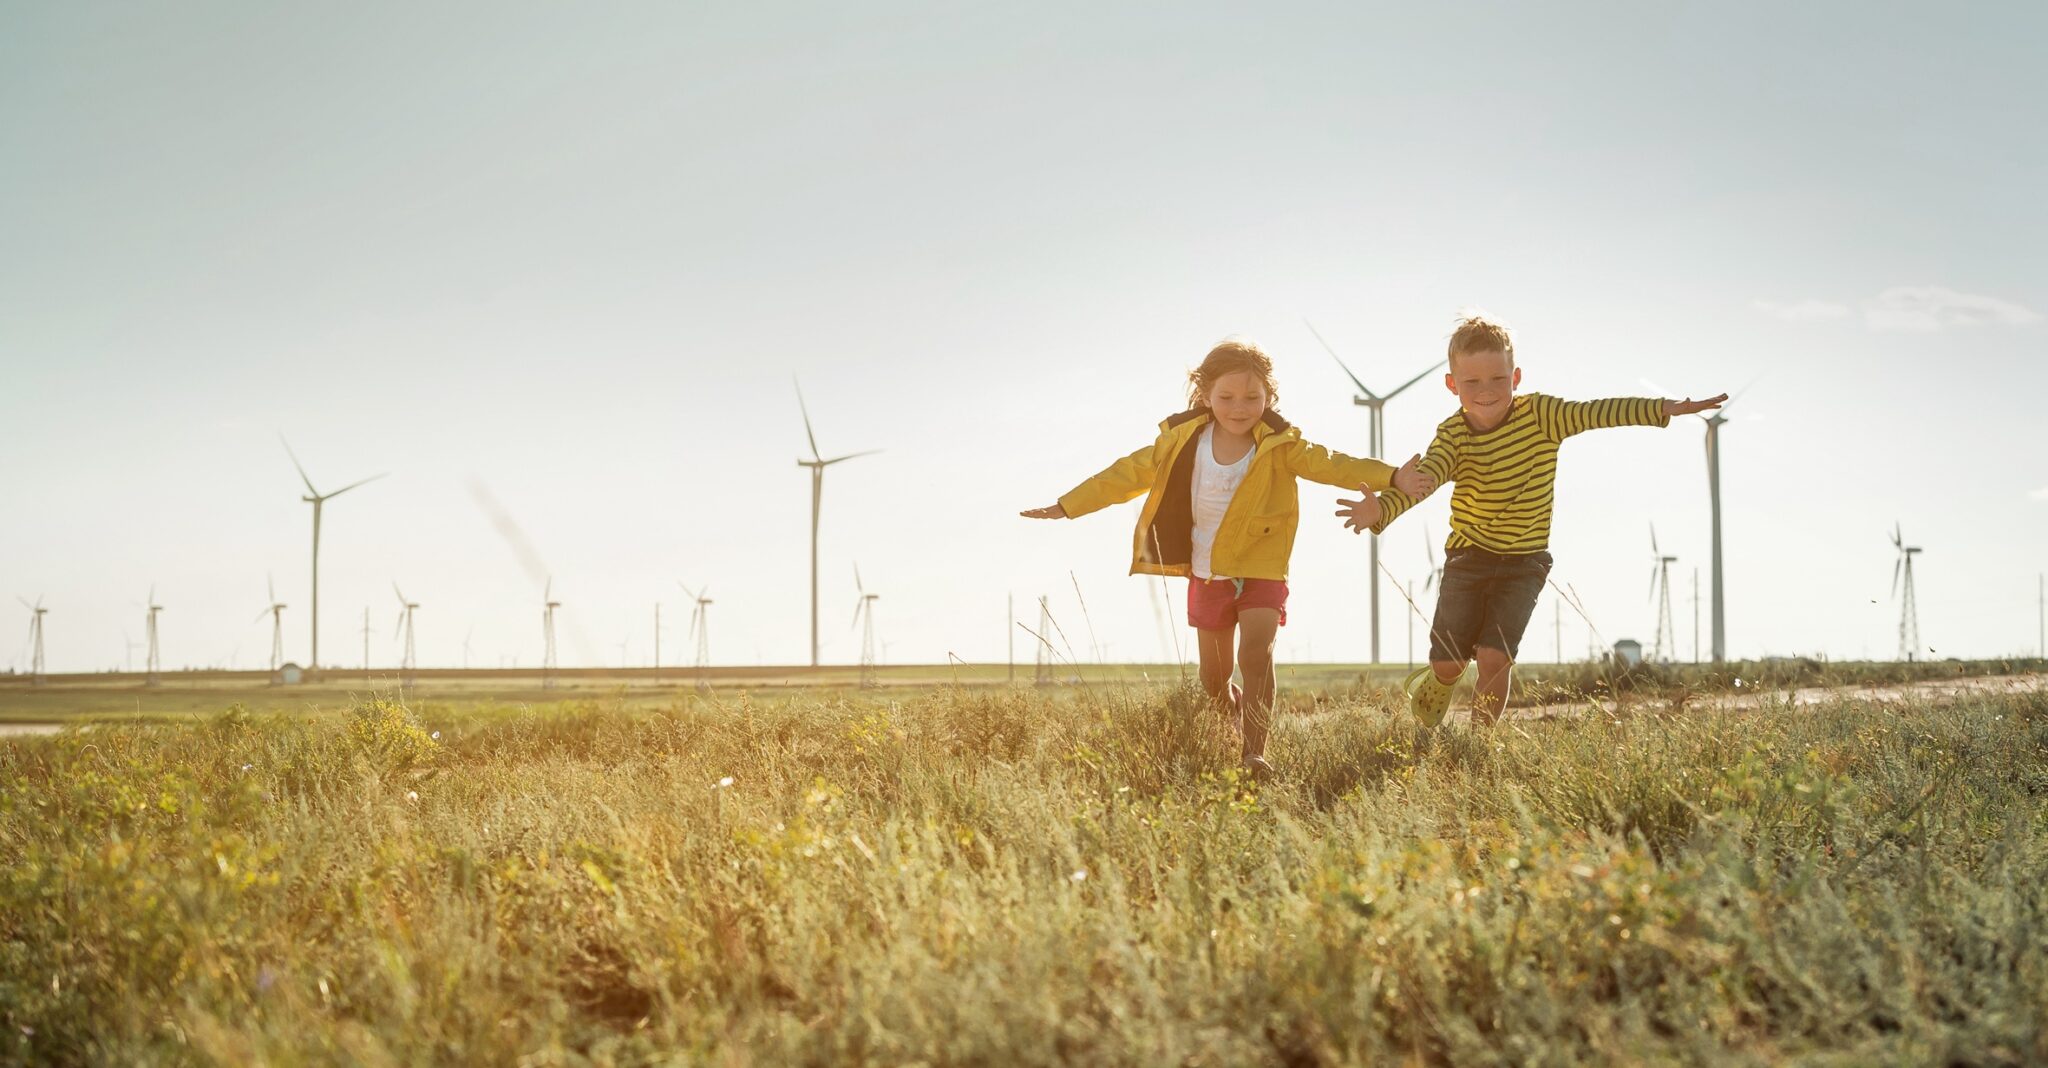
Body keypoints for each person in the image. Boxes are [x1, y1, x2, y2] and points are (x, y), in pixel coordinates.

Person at [1024, 337, 1431, 778]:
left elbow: (1333, 463)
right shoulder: (1181, 440)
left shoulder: (1281, 445)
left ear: (1269, 397)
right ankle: (1233, 711)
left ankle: (1254, 752)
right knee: (1213, 680)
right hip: (1207, 572)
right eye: (1228, 397)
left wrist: (1391, 475)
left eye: (1253, 398)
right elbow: (1124, 473)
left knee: (1256, 655)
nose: (1240, 407)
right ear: (1206, 396)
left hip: (1262, 567)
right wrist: (1068, 505)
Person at [1335, 313, 1725, 728]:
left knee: (1494, 657)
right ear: (1452, 385)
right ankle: (1440, 679)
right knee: (1449, 663)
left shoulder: (1542, 415)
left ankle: (1480, 739)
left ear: (1515, 376)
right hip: (1468, 557)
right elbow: (1424, 479)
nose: (1486, 391)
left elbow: (1599, 412)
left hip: (1525, 562)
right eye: (1472, 382)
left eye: (1497, 379)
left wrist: (1664, 408)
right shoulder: (1453, 434)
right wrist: (1382, 509)